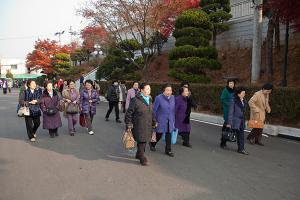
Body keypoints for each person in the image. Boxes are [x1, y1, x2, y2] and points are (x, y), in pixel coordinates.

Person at [125, 83, 157, 166]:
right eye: (147, 89)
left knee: (144, 140)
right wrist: (128, 123)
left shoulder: (149, 99)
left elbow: (151, 112)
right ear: (141, 90)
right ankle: (142, 157)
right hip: (138, 124)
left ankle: (138, 154)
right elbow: (129, 113)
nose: (149, 91)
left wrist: (154, 121)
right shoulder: (135, 100)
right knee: (141, 140)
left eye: (149, 89)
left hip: (148, 124)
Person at [150, 84, 176, 157]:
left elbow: (173, 110)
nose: (169, 92)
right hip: (160, 120)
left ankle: (168, 150)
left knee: (169, 135)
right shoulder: (158, 98)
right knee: (159, 134)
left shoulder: (173, 98)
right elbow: (154, 110)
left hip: (170, 120)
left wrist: (173, 120)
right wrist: (154, 120)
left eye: (170, 90)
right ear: (163, 90)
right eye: (167, 90)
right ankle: (152, 144)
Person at [226, 87, 249, 155]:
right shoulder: (233, 100)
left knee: (241, 135)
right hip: (235, 120)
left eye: (244, 93)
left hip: (242, 120)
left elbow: (244, 110)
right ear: (238, 94)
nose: (244, 94)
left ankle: (241, 149)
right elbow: (230, 112)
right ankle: (223, 142)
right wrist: (229, 122)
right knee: (231, 133)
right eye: (243, 93)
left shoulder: (244, 100)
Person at [220, 79, 236, 148]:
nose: (231, 84)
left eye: (232, 83)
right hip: (227, 110)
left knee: (227, 125)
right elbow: (222, 99)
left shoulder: (235, 90)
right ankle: (223, 143)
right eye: (230, 83)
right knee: (227, 123)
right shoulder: (225, 90)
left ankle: (223, 137)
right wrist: (229, 104)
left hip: (234, 110)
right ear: (227, 84)